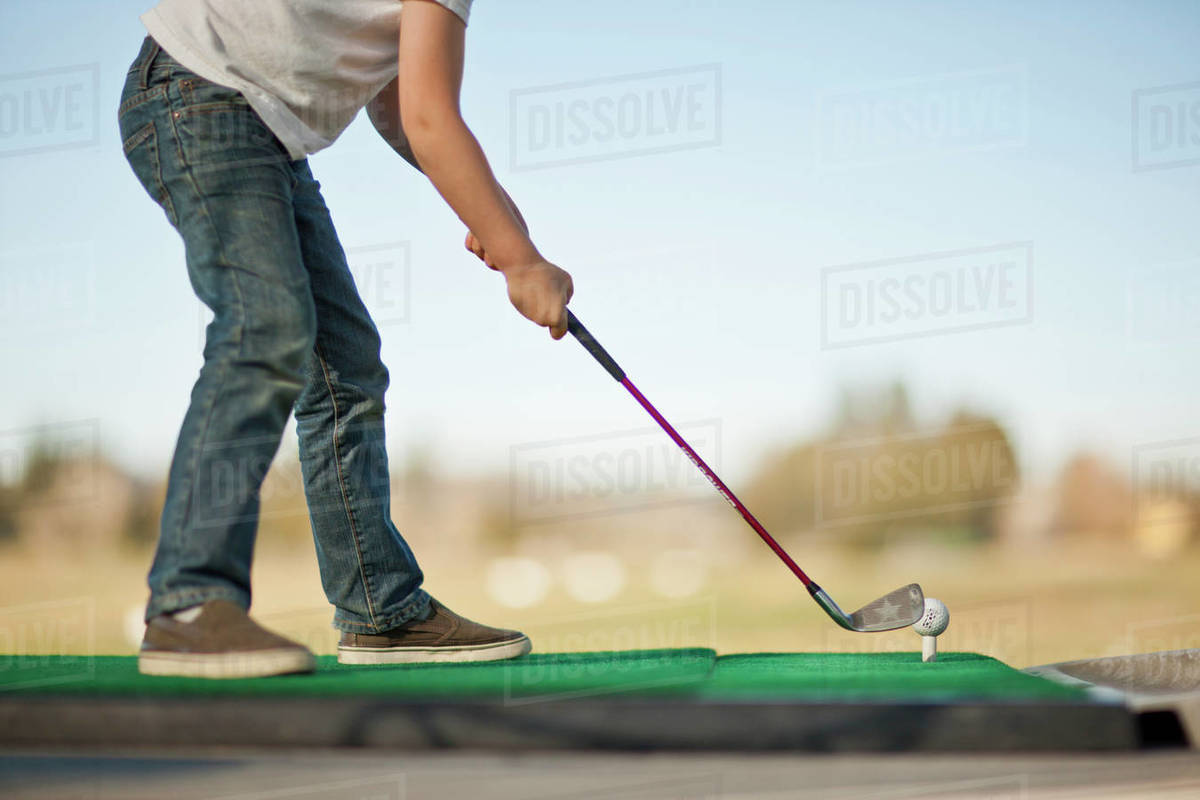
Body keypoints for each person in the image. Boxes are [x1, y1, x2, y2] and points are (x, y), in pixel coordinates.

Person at [118, 0, 573, 678]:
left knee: (345, 372)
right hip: (202, 95)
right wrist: (522, 262)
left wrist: (498, 223)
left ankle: (380, 613)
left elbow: (400, 111)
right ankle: (187, 603)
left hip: (259, 128)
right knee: (265, 325)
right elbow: (430, 119)